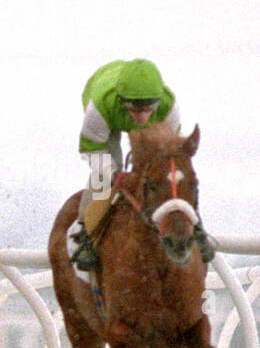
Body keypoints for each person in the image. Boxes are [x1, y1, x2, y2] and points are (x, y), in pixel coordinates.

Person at [70, 57, 213, 270]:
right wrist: (115, 174)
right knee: (106, 174)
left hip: (142, 114)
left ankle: (197, 228)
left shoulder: (168, 106)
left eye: (148, 108)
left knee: (169, 175)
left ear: (157, 102)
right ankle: (88, 236)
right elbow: (92, 150)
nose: (142, 115)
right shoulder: (99, 108)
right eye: (135, 108)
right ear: (122, 101)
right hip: (104, 113)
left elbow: (170, 158)